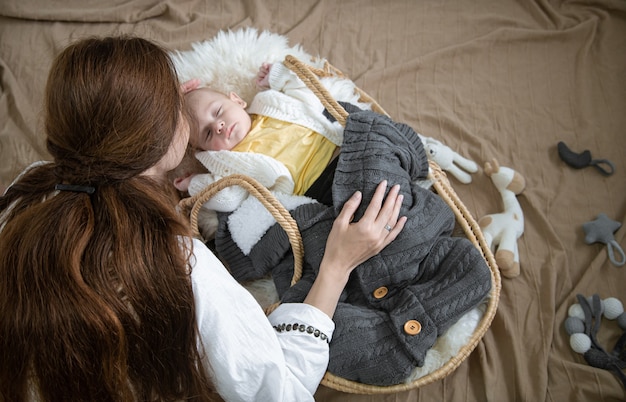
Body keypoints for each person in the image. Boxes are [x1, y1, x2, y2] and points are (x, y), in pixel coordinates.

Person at [0, 36, 407, 402]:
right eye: (177, 106)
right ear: (166, 141)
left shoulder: (21, 200)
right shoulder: (176, 267)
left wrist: (153, 107)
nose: (187, 101)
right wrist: (337, 265)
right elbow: (282, 393)